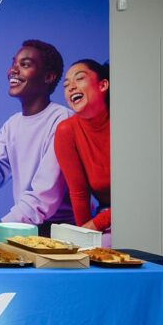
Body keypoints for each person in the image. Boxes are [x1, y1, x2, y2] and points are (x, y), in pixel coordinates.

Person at [0, 39, 74, 241]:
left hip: (63, 236)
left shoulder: (63, 121)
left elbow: (44, 196)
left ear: (48, 77)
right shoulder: (12, 125)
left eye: (24, 65)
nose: (12, 71)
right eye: (13, 64)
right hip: (27, 231)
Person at [54, 59, 111, 245]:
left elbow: (139, 194)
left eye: (79, 79)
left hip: (140, 210)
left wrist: (94, 226)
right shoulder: (66, 131)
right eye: (66, 85)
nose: (71, 87)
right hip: (103, 218)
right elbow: (78, 193)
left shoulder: (125, 122)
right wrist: (83, 240)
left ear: (103, 85)